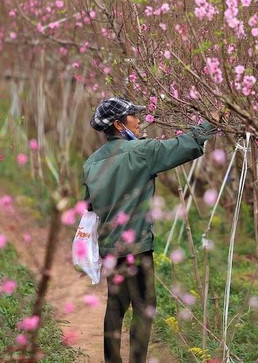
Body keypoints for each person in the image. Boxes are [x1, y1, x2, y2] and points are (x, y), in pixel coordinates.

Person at [84, 96, 217, 363]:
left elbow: (89, 204)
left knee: (115, 305)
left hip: (109, 245)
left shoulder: (91, 163)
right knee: (144, 307)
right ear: (120, 125)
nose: (139, 120)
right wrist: (211, 121)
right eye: (133, 116)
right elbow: (182, 145)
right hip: (136, 246)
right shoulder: (141, 152)